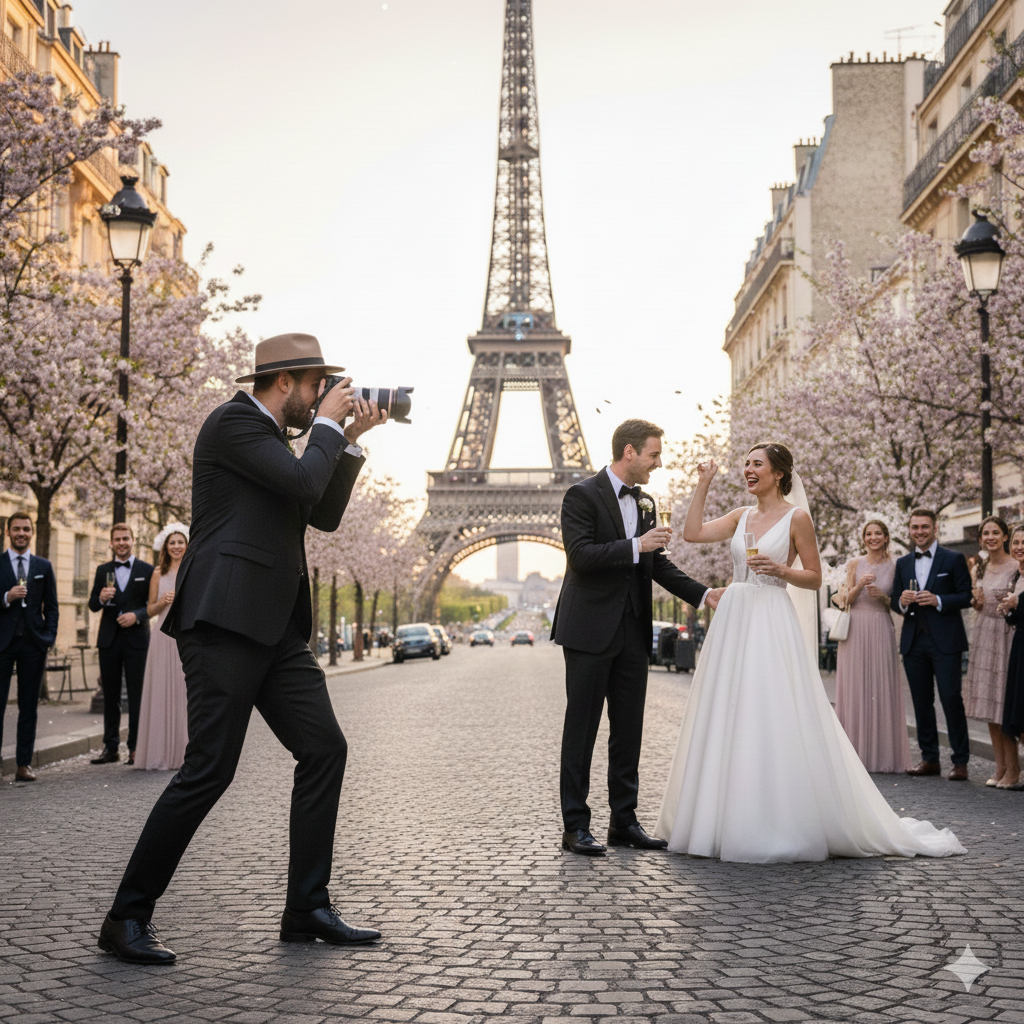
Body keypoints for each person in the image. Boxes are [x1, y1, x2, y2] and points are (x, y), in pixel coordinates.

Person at [97, 333, 387, 964]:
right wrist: (332, 430)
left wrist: (350, 442)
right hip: (225, 623)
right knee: (209, 771)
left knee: (324, 749)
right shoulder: (234, 425)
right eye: (317, 387)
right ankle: (125, 917)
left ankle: (306, 905)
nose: (320, 399)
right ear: (284, 381)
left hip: (276, 630)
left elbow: (322, 511)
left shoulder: (280, 444)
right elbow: (307, 483)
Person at [655, 443, 964, 862]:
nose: (748, 470)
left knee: (771, 709)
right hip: (734, 618)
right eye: (745, 464)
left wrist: (782, 570)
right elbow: (691, 534)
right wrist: (703, 484)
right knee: (729, 708)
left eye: (756, 464)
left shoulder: (797, 517)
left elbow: (816, 578)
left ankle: (775, 816)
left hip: (771, 615)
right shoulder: (740, 516)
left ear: (778, 473)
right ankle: (722, 815)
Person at [550, 418, 722, 857]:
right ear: (629, 452)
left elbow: (657, 563)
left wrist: (704, 594)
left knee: (628, 732)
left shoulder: (645, 502)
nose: (658, 464)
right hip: (588, 631)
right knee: (582, 729)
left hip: (632, 631)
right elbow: (581, 556)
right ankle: (576, 826)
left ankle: (623, 822)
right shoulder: (581, 495)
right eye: (653, 455)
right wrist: (636, 546)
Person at [892, 509, 973, 780]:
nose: (919, 531)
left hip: (946, 641)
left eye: (924, 527)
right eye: (915, 527)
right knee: (921, 701)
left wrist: (937, 600)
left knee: (951, 699)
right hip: (914, 642)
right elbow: (895, 601)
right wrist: (903, 600)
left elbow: (965, 596)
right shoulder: (903, 563)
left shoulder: (954, 559)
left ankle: (960, 761)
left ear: (935, 528)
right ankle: (930, 759)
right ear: (910, 530)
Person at [834, 520, 909, 773]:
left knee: (881, 684)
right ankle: (854, 753)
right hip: (856, 627)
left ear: (886, 537)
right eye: (869, 534)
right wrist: (858, 586)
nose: (873, 537)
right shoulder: (855, 563)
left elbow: (897, 602)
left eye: (878, 534)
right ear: (863, 538)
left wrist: (884, 597)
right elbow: (844, 600)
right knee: (856, 685)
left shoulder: (896, 566)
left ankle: (883, 754)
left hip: (880, 626)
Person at [88, 523, 153, 766]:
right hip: (109, 639)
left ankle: (135, 747)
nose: (122, 542)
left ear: (133, 540)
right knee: (110, 695)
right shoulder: (103, 569)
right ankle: (110, 747)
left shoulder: (147, 570)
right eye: (117, 539)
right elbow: (93, 604)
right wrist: (101, 599)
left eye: (125, 538)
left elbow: (153, 603)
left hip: (137, 639)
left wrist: (137, 615)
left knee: (137, 696)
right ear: (111, 543)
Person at [0, 512, 58, 782]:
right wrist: (6, 597)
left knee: (28, 706)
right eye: (16, 529)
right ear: (7, 532)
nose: (21, 533)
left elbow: (52, 607)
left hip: (33, 645)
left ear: (32, 532)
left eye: (25, 529)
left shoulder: (43, 566)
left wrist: (48, 638)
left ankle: (24, 764)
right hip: (2, 644)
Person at [963, 516, 1019, 788]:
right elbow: (977, 603)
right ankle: (999, 767)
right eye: (986, 533)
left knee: (1004, 705)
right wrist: (977, 602)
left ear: (1005, 537)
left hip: (1007, 638)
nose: (990, 537)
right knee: (988, 705)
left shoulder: (1016, 567)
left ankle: (1014, 769)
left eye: (996, 532)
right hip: (984, 635)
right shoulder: (981, 567)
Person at [134, 524, 190, 772]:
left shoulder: (193, 569)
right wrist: (161, 602)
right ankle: (159, 753)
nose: (176, 546)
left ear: (187, 545)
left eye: (180, 542)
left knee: (184, 692)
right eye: (172, 543)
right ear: (166, 547)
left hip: (185, 636)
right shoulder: (158, 572)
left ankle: (184, 753)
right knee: (161, 690)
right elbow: (148, 610)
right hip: (161, 636)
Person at [996, 525, 1024, 790]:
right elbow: (1017, 617)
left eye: (1023, 543)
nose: (1019, 547)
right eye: (1016, 542)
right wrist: (1008, 609)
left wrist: (1019, 602)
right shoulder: (1018, 575)